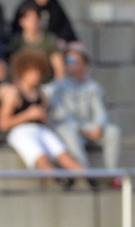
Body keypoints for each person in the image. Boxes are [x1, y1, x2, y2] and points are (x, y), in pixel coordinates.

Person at [1, 49, 83, 188]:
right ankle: (59, 180)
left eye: (38, 72)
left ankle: (90, 177)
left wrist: (43, 117)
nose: (36, 76)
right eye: (33, 72)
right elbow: (3, 123)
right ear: (23, 72)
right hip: (20, 131)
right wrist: (27, 115)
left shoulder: (42, 94)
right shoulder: (13, 93)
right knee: (40, 156)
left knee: (63, 154)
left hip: (41, 129)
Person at [48, 45, 122, 188]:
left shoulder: (93, 87)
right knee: (67, 130)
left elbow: (100, 111)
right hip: (70, 129)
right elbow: (59, 114)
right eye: (70, 61)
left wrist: (99, 126)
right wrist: (82, 128)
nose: (74, 65)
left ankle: (111, 174)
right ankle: (86, 172)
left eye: (77, 61)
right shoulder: (57, 86)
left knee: (113, 132)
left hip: (89, 128)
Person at [8, 3, 62, 82]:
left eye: (36, 19)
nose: (33, 23)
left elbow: (59, 68)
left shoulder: (49, 40)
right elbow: (13, 68)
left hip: (46, 85)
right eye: (29, 19)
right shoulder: (16, 42)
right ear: (21, 22)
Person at [11, 0, 78, 48]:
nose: (34, 22)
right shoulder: (26, 6)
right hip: (29, 42)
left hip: (53, 41)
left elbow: (65, 27)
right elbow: (15, 30)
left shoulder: (55, 5)